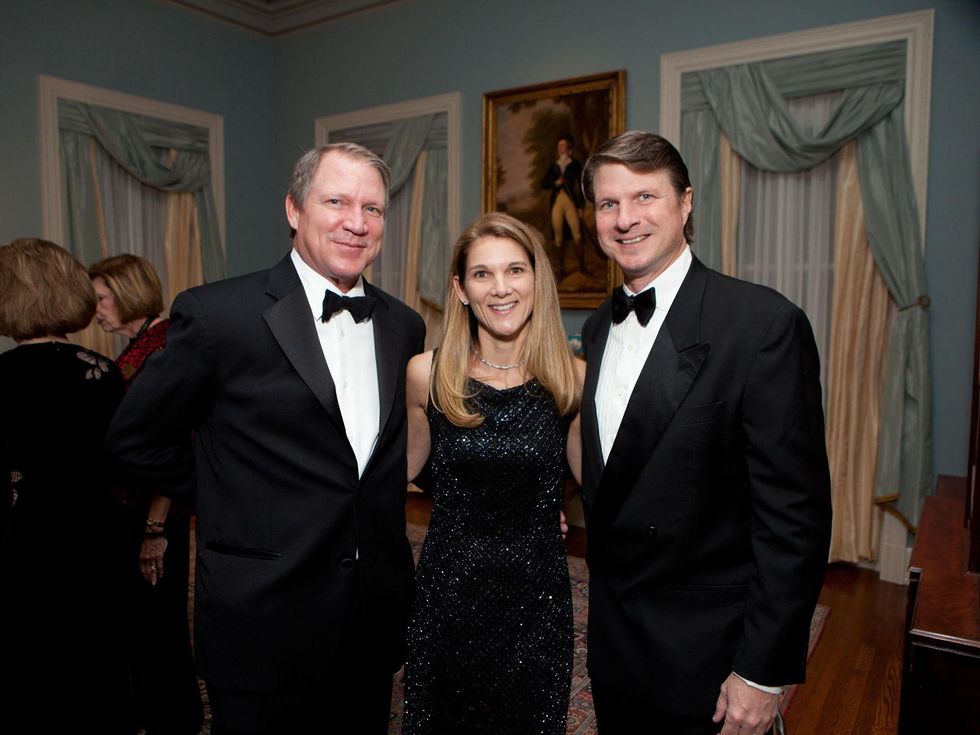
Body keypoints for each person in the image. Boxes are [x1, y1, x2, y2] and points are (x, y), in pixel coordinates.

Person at [105, 142, 426, 735]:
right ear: (293, 209)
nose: (357, 223)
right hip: (264, 614)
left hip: (369, 615)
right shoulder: (217, 314)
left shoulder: (404, 325)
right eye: (336, 201)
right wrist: (231, 492)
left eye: (373, 208)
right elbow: (133, 438)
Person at [572, 131, 832, 735]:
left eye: (645, 197)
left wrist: (763, 673)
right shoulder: (599, 329)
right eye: (608, 204)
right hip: (616, 647)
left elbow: (794, 516)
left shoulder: (762, 324)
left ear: (685, 203)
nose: (625, 218)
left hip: (708, 660)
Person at [402, 212, 583, 734]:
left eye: (515, 270)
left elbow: (600, 482)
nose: (500, 288)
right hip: (447, 599)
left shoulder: (573, 380)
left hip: (536, 602)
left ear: (536, 279)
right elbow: (403, 471)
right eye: (482, 274)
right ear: (460, 289)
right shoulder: (427, 374)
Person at [0, 238, 127, 732]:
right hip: (96, 533)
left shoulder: (3, 376)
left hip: (24, 537)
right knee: (94, 655)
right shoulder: (102, 372)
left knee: (29, 662)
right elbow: (125, 464)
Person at [89, 253, 203, 735]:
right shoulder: (145, 341)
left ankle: (173, 718)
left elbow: (179, 441)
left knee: (159, 624)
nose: (94, 308)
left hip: (155, 513)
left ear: (129, 291)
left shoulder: (163, 343)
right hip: (133, 509)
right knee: (144, 621)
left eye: (101, 297)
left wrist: (156, 527)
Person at [541, 136, 587, 281]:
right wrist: (556, 182)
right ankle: (561, 271)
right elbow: (544, 184)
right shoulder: (554, 166)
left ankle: (582, 267)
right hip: (557, 201)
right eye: (559, 146)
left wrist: (580, 206)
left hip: (570, 201)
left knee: (577, 235)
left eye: (562, 145)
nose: (560, 148)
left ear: (568, 148)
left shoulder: (575, 164)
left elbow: (580, 186)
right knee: (558, 237)